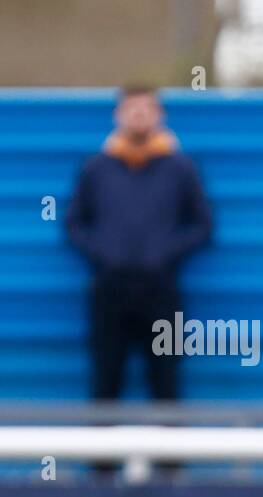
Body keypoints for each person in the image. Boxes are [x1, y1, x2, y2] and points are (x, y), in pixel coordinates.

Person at [66, 86, 212, 402]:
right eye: (132, 108)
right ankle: (102, 453)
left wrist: (164, 254)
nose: (139, 115)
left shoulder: (180, 168)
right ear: (118, 115)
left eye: (146, 108)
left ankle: (168, 453)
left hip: (162, 291)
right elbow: (74, 224)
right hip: (109, 291)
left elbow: (203, 226)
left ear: (160, 115)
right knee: (105, 383)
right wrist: (105, 254)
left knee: (166, 383)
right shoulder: (96, 168)